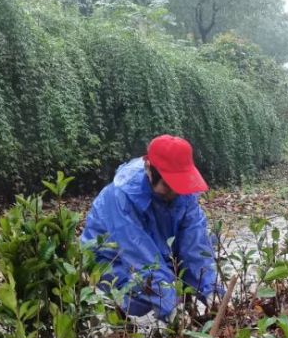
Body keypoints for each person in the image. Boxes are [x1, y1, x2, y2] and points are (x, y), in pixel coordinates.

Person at [82, 134, 220, 323]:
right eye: (168, 185)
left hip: (158, 247)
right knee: (136, 296)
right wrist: (170, 306)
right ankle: (116, 317)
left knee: (202, 250)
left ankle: (180, 304)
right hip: (112, 257)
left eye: (179, 185)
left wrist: (212, 291)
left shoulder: (182, 193)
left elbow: (196, 245)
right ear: (149, 169)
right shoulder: (121, 197)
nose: (175, 193)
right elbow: (140, 256)